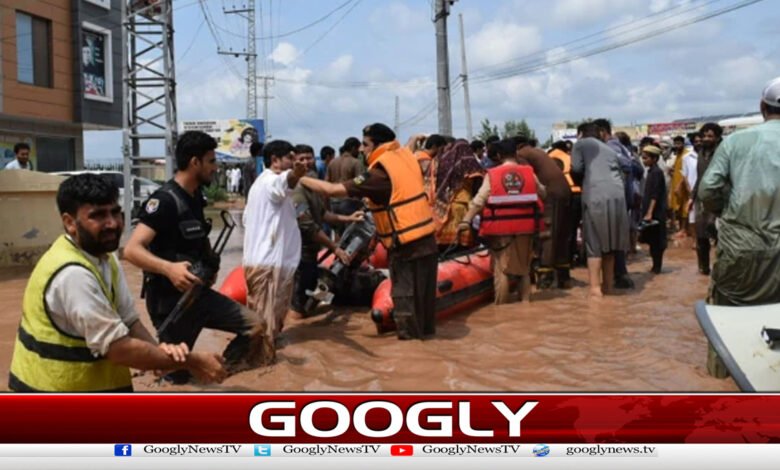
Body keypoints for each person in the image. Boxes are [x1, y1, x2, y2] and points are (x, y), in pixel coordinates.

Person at [8, 174, 226, 392]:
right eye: (98, 216)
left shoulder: (105, 257)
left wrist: (159, 356)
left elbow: (130, 322)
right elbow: (119, 349)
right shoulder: (72, 274)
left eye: (115, 212)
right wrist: (191, 361)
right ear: (69, 223)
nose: (112, 223)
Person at [124, 131, 263, 380]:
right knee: (176, 377)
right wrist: (169, 268)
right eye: (211, 161)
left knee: (255, 326)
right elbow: (132, 250)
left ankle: (220, 372)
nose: (215, 167)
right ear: (194, 162)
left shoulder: (196, 197)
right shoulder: (165, 201)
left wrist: (211, 262)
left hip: (199, 294)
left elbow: (197, 237)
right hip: (170, 303)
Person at [299, 123, 438, 340]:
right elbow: (409, 146)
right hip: (427, 241)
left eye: (365, 145)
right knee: (424, 301)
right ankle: (427, 342)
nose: (362, 149)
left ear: (379, 145)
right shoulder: (406, 158)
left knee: (405, 299)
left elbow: (333, 190)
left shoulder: (379, 174)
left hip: (405, 247)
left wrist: (297, 177)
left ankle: (411, 350)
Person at [697, 76, 780, 306]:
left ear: (762, 107)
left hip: (742, 246)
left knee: (729, 323)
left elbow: (708, 189)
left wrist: (723, 211)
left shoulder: (736, 141)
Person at [241, 140, 306, 361]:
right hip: (267, 264)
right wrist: (295, 174)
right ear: (275, 160)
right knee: (263, 326)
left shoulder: (260, 186)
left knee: (272, 323)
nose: (294, 161)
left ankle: (267, 364)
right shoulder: (270, 182)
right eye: (290, 157)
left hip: (271, 263)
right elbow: (284, 182)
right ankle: (261, 371)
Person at [459, 139, 545, 304]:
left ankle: (502, 309)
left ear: (498, 155)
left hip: (500, 228)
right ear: (516, 154)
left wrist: (465, 221)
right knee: (524, 269)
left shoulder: (492, 175)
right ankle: (526, 304)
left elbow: (479, 201)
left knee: (501, 269)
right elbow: (542, 192)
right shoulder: (529, 172)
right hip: (525, 227)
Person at [289, 145, 363, 318]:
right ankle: (298, 329)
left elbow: (323, 214)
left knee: (316, 291)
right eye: (302, 159)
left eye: (310, 158)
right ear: (294, 162)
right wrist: (334, 247)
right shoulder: (298, 188)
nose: (307, 162)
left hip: (312, 253)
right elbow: (308, 226)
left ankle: (316, 314)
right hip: (300, 253)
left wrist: (349, 218)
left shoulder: (314, 185)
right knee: (298, 306)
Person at [571, 122, 630, 297]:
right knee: (610, 245)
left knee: (594, 244)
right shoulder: (609, 149)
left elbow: (576, 168)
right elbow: (625, 167)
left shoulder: (580, 144)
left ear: (581, 134)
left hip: (596, 195)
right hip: (618, 196)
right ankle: (608, 287)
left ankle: (595, 291)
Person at [515, 135, 572, 289]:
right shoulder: (538, 152)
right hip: (565, 192)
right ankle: (564, 277)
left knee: (547, 234)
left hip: (551, 194)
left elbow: (528, 177)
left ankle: (545, 279)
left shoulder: (521, 154)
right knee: (561, 234)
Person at [594, 119, 642, 289]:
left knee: (613, 241)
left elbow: (628, 165)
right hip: (622, 198)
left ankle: (619, 275)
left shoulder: (611, 147)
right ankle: (617, 275)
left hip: (618, 199)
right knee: (616, 239)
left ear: (602, 131)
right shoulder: (619, 146)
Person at [432, 140, 484, 249]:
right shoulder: (470, 164)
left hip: (445, 208)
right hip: (464, 207)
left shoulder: (444, 164)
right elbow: (480, 186)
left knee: (445, 246)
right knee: (462, 247)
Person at [689, 123, 723, 275]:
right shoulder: (701, 153)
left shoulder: (723, 152)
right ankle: (703, 267)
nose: (706, 139)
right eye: (704, 136)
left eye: (710, 136)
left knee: (719, 234)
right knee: (701, 234)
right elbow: (699, 177)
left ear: (717, 137)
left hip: (719, 198)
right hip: (701, 198)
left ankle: (723, 268)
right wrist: (692, 197)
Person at [548, 140, 582, 268]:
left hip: (557, 195)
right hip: (577, 194)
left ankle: (553, 258)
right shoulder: (570, 158)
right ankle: (569, 258)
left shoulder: (548, 158)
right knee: (571, 229)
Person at [639, 145, 667, 274]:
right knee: (652, 240)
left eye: (646, 158)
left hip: (656, 212)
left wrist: (650, 212)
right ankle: (655, 266)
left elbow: (655, 195)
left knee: (656, 241)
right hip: (651, 210)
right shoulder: (651, 171)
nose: (643, 160)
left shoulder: (656, 172)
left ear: (654, 158)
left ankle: (657, 267)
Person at [327, 137, 365, 221]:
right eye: (358, 149)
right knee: (351, 231)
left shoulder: (332, 162)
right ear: (353, 148)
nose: (359, 152)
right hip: (349, 202)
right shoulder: (356, 162)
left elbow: (326, 182)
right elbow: (360, 182)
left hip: (333, 203)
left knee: (338, 232)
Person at [669, 135, 694, 237]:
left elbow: (685, 172)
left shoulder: (686, 155)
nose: (677, 145)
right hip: (675, 185)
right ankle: (682, 229)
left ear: (683, 144)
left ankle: (684, 229)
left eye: (679, 143)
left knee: (684, 209)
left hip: (683, 186)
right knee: (677, 209)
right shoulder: (678, 155)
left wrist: (680, 185)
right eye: (675, 143)